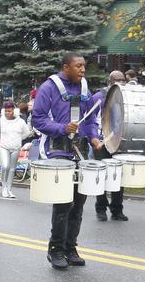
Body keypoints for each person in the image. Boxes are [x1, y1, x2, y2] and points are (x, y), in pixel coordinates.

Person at [32, 53, 102, 269]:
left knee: (79, 203)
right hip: (56, 150)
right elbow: (38, 119)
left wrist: (93, 137)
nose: (82, 70)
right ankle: (56, 249)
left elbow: (90, 118)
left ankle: (70, 248)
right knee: (63, 203)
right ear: (66, 67)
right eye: (78, 66)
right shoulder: (49, 87)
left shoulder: (84, 89)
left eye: (84, 66)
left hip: (79, 150)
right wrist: (62, 128)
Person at [92, 71, 129, 221]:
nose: (121, 83)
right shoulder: (98, 97)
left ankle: (116, 210)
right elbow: (90, 119)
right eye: (118, 80)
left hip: (119, 142)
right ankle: (101, 209)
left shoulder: (125, 98)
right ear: (110, 81)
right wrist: (94, 138)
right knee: (102, 177)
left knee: (118, 178)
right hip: (102, 142)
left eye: (123, 80)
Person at [0, 101, 33, 198]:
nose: (7, 113)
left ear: (14, 111)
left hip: (16, 147)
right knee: (5, 166)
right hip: (3, 146)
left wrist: (18, 139)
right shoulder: (0, 121)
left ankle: (9, 189)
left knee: (12, 169)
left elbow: (26, 133)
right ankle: (4, 187)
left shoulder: (20, 122)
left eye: (9, 111)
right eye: (6, 111)